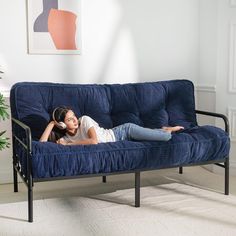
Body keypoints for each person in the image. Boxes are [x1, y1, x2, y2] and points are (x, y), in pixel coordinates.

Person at [39, 106, 184, 145]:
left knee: (166, 138)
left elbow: (94, 141)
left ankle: (167, 129)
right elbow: (42, 144)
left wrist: (69, 145)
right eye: (70, 120)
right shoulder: (66, 138)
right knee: (153, 135)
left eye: (73, 116)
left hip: (123, 132)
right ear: (62, 124)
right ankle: (162, 130)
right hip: (120, 138)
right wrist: (52, 123)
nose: (75, 120)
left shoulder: (84, 120)